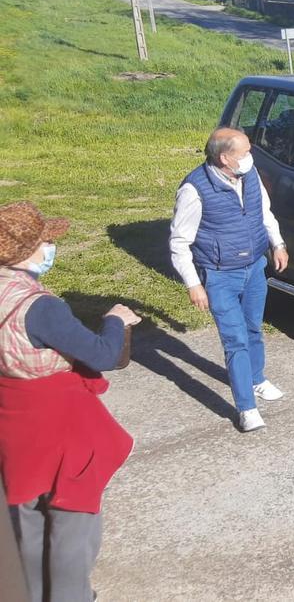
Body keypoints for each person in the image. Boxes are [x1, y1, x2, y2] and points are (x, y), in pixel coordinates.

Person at [0, 201, 140, 602]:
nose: (49, 248)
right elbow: (101, 355)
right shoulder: (40, 307)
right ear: (29, 249)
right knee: (71, 520)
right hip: (56, 418)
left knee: (24, 513)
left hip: (11, 413)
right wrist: (115, 320)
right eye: (45, 241)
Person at [169, 128, 289, 432]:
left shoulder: (250, 176)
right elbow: (179, 242)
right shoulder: (194, 189)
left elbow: (265, 213)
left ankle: (256, 379)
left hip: (254, 269)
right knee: (235, 340)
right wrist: (193, 283)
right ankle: (246, 408)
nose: (250, 157)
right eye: (245, 152)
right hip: (220, 275)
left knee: (253, 329)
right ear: (225, 157)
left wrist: (278, 243)